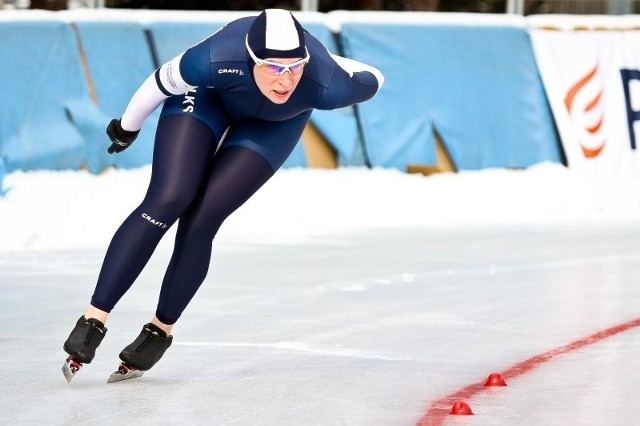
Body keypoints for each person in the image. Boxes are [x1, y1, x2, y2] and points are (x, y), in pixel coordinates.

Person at [62, 8, 384, 383]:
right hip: (207, 98)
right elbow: (158, 84)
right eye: (273, 68)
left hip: (274, 126)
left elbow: (374, 76)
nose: (284, 81)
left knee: (202, 219)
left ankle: (159, 331)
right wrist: (126, 127)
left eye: (294, 67)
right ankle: (93, 320)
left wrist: (327, 59)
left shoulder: (326, 84)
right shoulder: (216, 56)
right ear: (251, 58)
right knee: (169, 197)